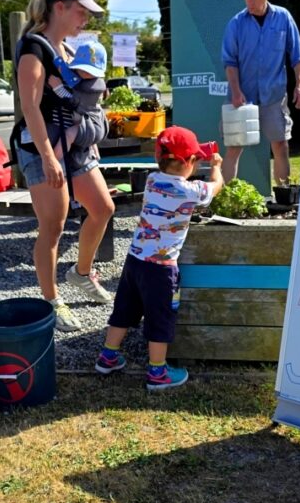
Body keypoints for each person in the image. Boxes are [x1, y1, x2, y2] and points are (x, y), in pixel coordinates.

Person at [14, 0, 115, 333]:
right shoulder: (34, 48)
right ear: (60, 7)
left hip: (74, 147)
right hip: (43, 146)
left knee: (103, 208)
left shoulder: (68, 49)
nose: (85, 19)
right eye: (81, 10)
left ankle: (81, 273)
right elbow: (30, 107)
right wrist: (47, 156)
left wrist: (89, 139)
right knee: (53, 226)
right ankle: (51, 300)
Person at [94, 126, 224, 390]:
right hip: (161, 270)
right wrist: (216, 166)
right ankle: (157, 373)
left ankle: (108, 357)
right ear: (188, 162)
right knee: (159, 317)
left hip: (135, 261)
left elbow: (176, 178)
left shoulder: (153, 180)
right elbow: (215, 187)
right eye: (195, 159)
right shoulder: (190, 191)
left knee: (124, 310)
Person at [220, 0, 300, 185]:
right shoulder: (236, 23)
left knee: (280, 145)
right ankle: (222, 201)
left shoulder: (283, 17)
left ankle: (284, 196)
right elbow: (229, 61)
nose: (250, 2)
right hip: (242, 96)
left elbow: (298, 55)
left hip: (273, 95)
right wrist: (237, 91)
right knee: (233, 147)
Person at [44, 39, 109, 165]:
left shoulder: (91, 88)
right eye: (81, 69)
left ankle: (53, 161)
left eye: (90, 71)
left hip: (93, 127)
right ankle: (94, 151)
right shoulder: (90, 81)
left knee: (69, 135)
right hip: (91, 121)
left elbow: (72, 102)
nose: (84, 73)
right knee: (85, 131)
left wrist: (58, 87)